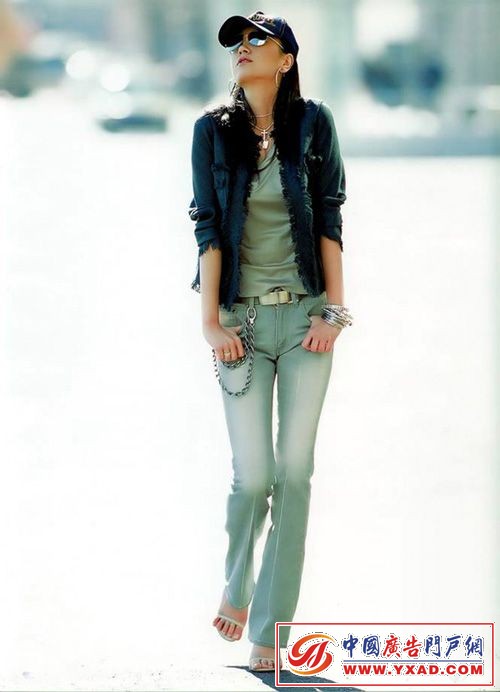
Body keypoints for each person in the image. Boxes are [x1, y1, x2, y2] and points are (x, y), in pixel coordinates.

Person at [187, 9, 352, 672]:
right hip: (243, 326)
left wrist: (333, 312)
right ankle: (238, 584)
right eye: (238, 40)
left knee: (294, 474)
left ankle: (271, 627)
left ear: (286, 59)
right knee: (253, 477)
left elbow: (331, 216)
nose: (244, 47)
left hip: (306, 320)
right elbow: (206, 227)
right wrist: (210, 322)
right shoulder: (211, 131)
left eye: (259, 39)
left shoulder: (314, 124)